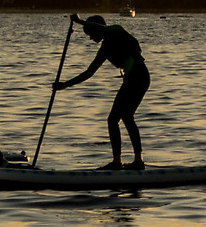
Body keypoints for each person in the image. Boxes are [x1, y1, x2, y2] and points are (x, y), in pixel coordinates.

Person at [57, 14, 151, 168]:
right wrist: (66, 84)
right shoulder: (105, 48)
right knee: (120, 118)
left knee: (121, 118)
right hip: (131, 79)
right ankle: (123, 161)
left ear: (97, 29)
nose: (90, 38)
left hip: (139, 76)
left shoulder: (117, 31)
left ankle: (133, 161)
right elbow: (89, 72)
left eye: (90, 33)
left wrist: (80, 22)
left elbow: (103, 28)